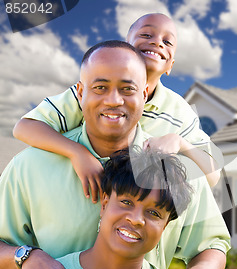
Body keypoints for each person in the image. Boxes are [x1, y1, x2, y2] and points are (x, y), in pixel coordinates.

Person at [0, 41, 230, 269]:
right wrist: (27, 258)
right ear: (80, 92)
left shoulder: (176, 173)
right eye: (100, 87)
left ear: (144, 94)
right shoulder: (30, 166)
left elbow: (213, 244)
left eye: (127, 89)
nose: (114, 100)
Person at [13, 13, 221, 204]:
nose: (157, 42)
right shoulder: (91, 94)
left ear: (171, 66)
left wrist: (180, 143)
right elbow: (25, 127)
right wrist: (77, 153)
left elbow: (212, 176)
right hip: (77, 198)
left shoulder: (179, 111)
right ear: (125, 47)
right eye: (146, 34)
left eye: (167, 42)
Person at [5, 148, 201, 269]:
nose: (136, 219)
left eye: (153, 213)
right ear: (105, 204)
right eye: (126, 202)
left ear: (164, 227)